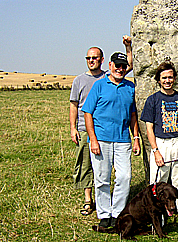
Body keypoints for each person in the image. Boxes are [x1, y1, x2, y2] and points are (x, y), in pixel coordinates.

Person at [69, 36, 133, 216]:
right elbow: (75, 105)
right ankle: (90, 202)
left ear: (102, 61)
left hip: (115, 135)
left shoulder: (111, 77)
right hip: (87, 129)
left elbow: (128, 65)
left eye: (95, 58)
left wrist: (128, 47)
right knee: (90, 168)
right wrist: (73, 127)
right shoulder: (80, 80)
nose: (91, 61)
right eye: (88, 58)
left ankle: (115, 210)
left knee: (114, 174)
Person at [82, 50, 141, 230]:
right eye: (117, 65)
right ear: (110, 66)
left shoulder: (130, 88)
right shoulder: (99, 86)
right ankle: (104, 214)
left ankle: (118, 212)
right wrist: (92, 139)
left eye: (123, 66)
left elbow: (133, 115)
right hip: (101, 139)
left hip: (123, 139)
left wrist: (136, 138)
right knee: (102, 178)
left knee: (124, 176)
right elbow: (87, 113)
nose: (120, 69)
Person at [140, 61, 178, 230]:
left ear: (174, 78)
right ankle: (157, 221)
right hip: (161, 145)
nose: (168, 80)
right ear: (159, 80)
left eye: (170, 77)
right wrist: (155, 151)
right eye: (164, 78)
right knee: (157, 186)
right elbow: (149, 127)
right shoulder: (152, 100)